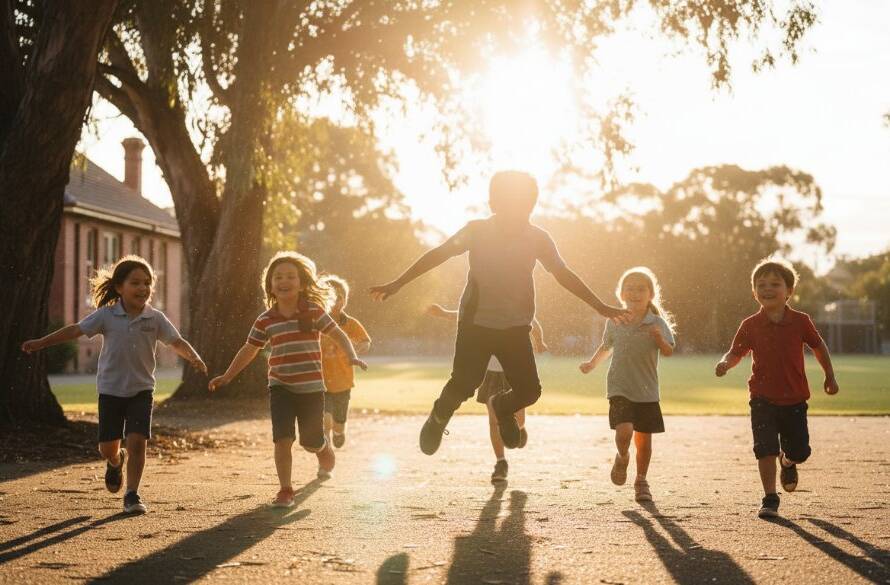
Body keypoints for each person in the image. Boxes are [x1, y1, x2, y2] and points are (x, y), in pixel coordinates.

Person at [370, 170, 629, 456]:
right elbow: (439, 253)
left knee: (530, 391)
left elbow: (563, 274)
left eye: (525, 206)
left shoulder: (538, 238)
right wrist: (398, 283)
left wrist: (600, 306)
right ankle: (438, 416)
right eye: (510, 205)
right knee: (465, 383)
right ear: (493, 203)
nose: (518, 213)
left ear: (532, 206)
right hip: (476, 324)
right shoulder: (477, 230)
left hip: (516, 327)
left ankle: (502, 408)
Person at [22, 255, 206, 514]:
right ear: (119, 287)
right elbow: (75, 330)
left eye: (147, 283)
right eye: (135, 283)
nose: (143, 288)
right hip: (110, 390)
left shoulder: (155, 318)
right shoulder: (107, 315)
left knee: (137, 441)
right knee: (108, 447)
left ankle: (132, 494)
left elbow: (176, 341)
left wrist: (194, 357)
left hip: (142, 390)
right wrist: (41, 343)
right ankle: (115, 461)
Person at [208, 252, 367, 508]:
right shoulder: (265, 319)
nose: (284, 280)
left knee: (309, 441)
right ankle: (285, 489)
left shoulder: (313, 312)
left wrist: (351, 356)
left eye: (291, 276)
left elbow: (338, 333)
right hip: (280, 386)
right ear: (270, 285)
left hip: (312, 388)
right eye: (278, 277)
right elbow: (249, 349)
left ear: (302, 283)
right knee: (282, 438)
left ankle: (321, 446)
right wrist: (227, 375)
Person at [715, 259, 839, 519]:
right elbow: (735, 352)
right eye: (761, 285)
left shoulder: (800, 321)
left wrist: (830, 375)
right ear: (753, 292)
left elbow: (818, 347)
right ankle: (770, 497)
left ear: (789, 291)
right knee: (764, 448)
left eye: (775, 284)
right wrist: (726, 363)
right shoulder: (750, 324)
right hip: (762, 398)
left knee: (800, 451)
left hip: (794, 399)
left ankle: (788, 462)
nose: (767, 289)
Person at [579, 267, 675, 502]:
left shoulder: (657, 322)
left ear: (650, 294)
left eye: (641, 289)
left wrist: (659, 339)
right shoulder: (615, 321)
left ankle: (641, 480)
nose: (635, 293)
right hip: (619, 386)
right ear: (621, 294)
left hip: (647, 389)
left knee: (644, 440)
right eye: (629, 288)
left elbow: (669, 351)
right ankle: (622, 456)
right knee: (624, 432)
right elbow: (606, 346)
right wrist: (592, 364)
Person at [426, 303, 547, 483]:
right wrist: (444, 314)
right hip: (489, 372)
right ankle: (500, 463)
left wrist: (539, 341)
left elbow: (532, 323)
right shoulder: (484, 307)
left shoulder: (517, 307)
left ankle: (520, 428)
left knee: (518, 418)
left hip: (512, 370)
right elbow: (465, 313)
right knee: (493, 420)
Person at [318, 275, 371, 448]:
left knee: (338, 421)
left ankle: (339, 432)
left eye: (340, 297)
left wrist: (358, 348)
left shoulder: (350, 323)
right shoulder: (315, 322)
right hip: (321, 381)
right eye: (332, 297)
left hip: (343, 382)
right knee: (325, 418)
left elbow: (365, 341)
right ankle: (325, 451)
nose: (336, 301)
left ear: (345, 301)